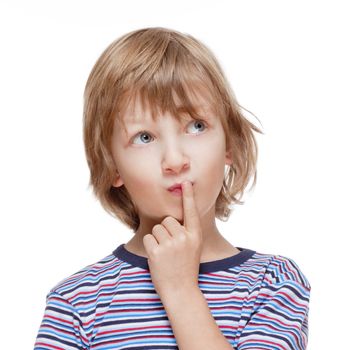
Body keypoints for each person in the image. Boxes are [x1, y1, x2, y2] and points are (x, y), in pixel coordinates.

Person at [34, 27, 310, 349]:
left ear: (229, 145)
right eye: (144, 137)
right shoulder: (75, 302)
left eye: (196, 126)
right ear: (112, 166)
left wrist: (181, 290)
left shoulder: (273, 283)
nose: (175, 160)